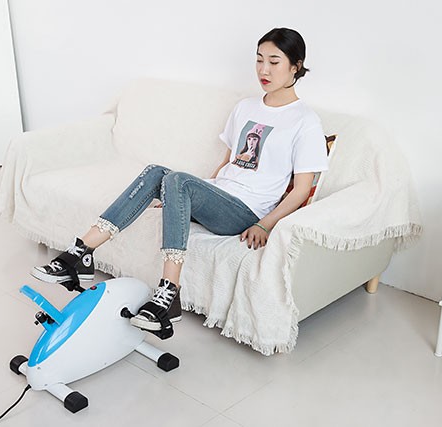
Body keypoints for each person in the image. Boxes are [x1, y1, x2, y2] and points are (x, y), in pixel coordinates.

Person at [31, 27, 328, 334]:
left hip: (247, 211)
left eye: (274, 62)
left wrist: (264, 225)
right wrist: (178, 200)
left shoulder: (304, 121)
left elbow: (301, 191)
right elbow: (226, 165)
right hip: (220, 197)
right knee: (158, 172)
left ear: (296, 66)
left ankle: (169, 292)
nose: (263, 70)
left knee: (178, 180)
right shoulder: (245, 108)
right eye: (259, 60)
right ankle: (79, 253)